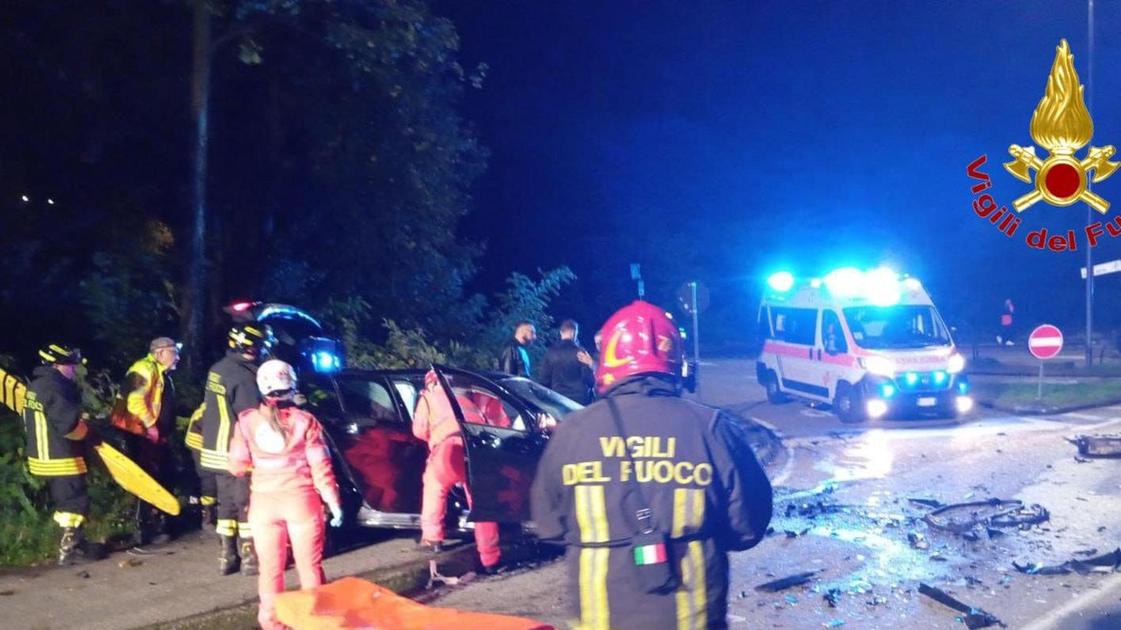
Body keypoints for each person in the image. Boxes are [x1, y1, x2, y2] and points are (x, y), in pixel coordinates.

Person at [531, 301, 774, 630]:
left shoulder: (573, 431)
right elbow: (747, 529)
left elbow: (548, 527)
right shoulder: (712, 428)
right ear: (675, 361)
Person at [228, 359, 342, 630]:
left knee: (270, 570)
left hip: (263, 506)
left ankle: (272, 623)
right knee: (309, 568)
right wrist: (333, 501)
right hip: (301, 503)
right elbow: (321, 466)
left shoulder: (246, 421)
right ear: (291, 385)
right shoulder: (306, 422)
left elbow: (236, 466)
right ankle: (314, 621)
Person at [198, 323, 272, 575]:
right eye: (256, 345)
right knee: (246, 503)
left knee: (226, 504)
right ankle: (251, 557)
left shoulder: (218, 369)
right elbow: (250, 416)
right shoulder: (243, 376)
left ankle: (227, 556)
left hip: (215, 451)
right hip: (238, 451)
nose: (259, 350)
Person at [412, 369, 501, 572]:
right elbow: (496, 422)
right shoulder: (467, 396)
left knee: (434, 487)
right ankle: (490, 558)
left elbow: (418, 430)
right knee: (481, 503)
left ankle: (433, 539)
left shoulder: (428, 398)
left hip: (447, 449)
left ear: (430, 383)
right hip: (475, 449)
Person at [23, 344, 100, 565]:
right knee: (74, 501)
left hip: (42, 455)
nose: (74, 370)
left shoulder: (37, 385)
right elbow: (68, 426)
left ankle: (77, 542)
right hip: (61, 456)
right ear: (57, 365)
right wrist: (89, 433)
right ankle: (70, 549)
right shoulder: (55, 387)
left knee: (64, 499)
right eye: (70, 366)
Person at [110, 337, 181, 546]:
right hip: (138, 433)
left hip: (148, 434)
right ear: (160, 353)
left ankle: (158, 523)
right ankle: (145, 528)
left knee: (161, 475)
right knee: (147, 478)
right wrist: (151, 425)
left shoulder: (159, 373)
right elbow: (134, 401)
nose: (177, 357)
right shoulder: (144, 369)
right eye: (173, 352)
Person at [539, 319, 597, 405]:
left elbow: (544, 380)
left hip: (557, 398)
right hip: (579, 401)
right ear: (574, 333)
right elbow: (588, 379)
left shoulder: (550, 352)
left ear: (561, 332)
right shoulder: (581, 352)